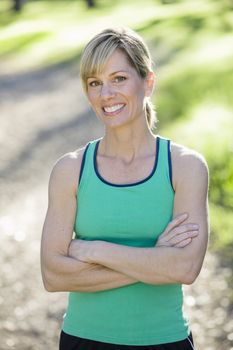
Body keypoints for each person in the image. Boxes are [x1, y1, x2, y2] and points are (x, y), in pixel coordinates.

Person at [40, 26, 209, 350]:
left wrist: (92, 250)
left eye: (119, 79)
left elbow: (186, 267)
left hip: (164, 341)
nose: (106, 95)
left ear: (148, 83)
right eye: (95, 83)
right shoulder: (70, 169)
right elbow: (53, 276)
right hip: (83, 341)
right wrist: (158, 260)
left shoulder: (185, 167)